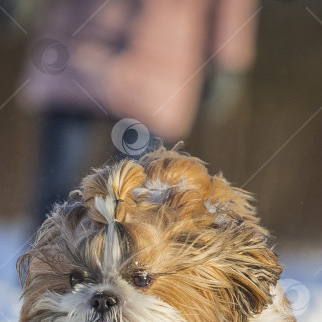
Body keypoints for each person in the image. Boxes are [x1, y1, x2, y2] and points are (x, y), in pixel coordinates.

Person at [20, 0, 260, 231]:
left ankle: (117, 268)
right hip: (80, 46)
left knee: (130, 201)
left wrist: (228, 58)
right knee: (59, 196)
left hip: (160, 61)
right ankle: (44, 268)